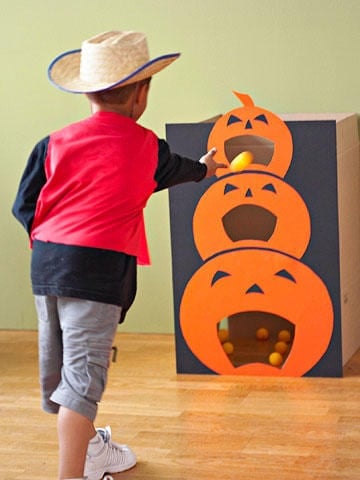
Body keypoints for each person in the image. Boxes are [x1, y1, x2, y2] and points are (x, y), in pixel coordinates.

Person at [12, 30, 225, 480]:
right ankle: (76, 473)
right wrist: (206, 168)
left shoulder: (52, 143)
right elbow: (181, 170)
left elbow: (23, 205)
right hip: (96, 272)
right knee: (81, 385)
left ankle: (91, 449)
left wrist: (55, 243)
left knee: (63, 376)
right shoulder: (147, 148)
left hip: (47, 264)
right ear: (141, 94)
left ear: (87, 91)